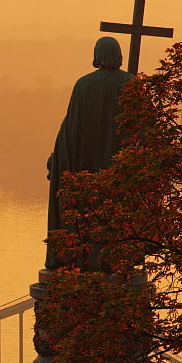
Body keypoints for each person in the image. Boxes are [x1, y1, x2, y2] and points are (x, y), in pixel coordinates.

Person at [45, 36, 134, 270]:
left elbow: (70, 131)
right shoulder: (132, 85)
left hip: (87, 169)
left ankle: (84, 258)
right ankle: (117, 259)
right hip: (121, 172)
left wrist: (57, 159)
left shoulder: (83, 86)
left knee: (87, 214)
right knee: (116, 215)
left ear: (97, 55)